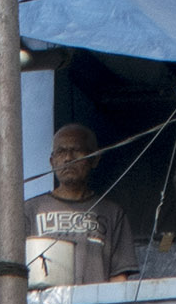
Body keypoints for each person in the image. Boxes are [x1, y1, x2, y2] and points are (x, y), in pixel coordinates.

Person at [26, 123, 134, 288]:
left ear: (94, 159)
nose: (68, 158)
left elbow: (119, 279)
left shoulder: (112, 214)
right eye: (61, 152)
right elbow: (14, 274)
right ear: (52, 161)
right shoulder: (30, 210)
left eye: (77, 150)